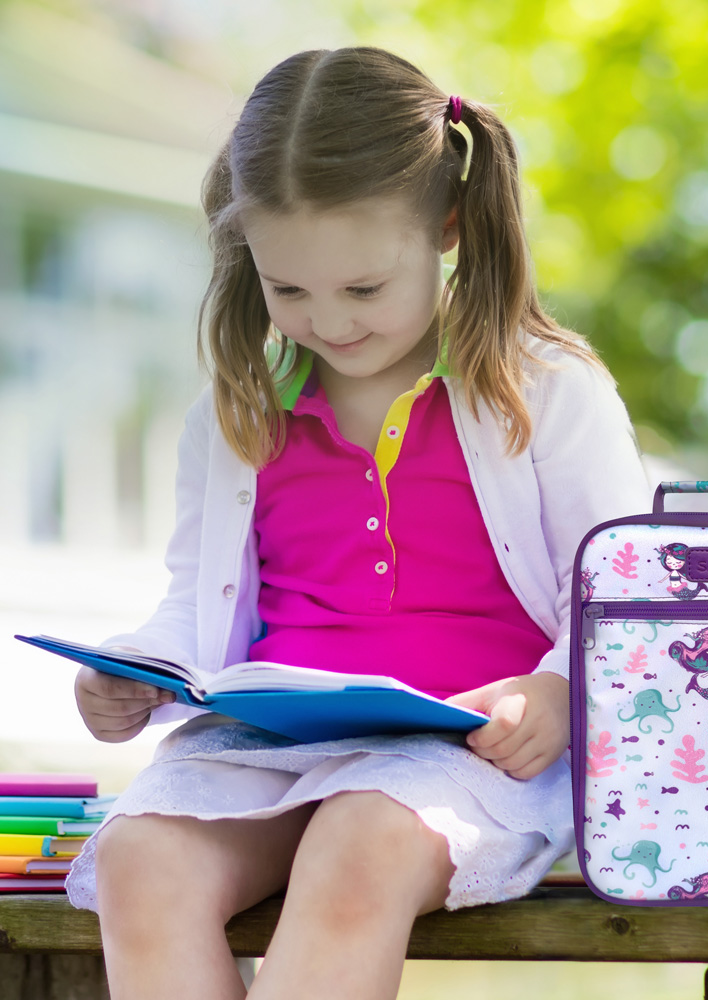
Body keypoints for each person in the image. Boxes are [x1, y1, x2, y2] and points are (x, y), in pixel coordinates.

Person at [67, 46, 649, 1000]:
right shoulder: (235, 413)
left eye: (364, 289)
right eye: (287, 291)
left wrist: (558, 690)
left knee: (359, 842)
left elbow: (628, 593)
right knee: (140, 861)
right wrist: (136, 670)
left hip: (464, 756)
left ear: (448, 228)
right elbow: (195, 600)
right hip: (262, 745)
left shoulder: (545, 389)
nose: (327, 321)